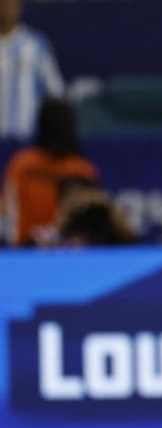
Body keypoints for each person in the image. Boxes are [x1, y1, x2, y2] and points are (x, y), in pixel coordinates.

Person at [2, 97, 99, 247]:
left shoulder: (82, 170)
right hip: (24, 252)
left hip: (68, 253)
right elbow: (8, 211)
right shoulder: (23, 165)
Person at [0, 0, 65, 140]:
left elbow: (55, 92)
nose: (6, 9)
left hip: (28, 138)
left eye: (11, 4)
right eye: (3, 4)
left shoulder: (36, 46)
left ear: (19, 6)